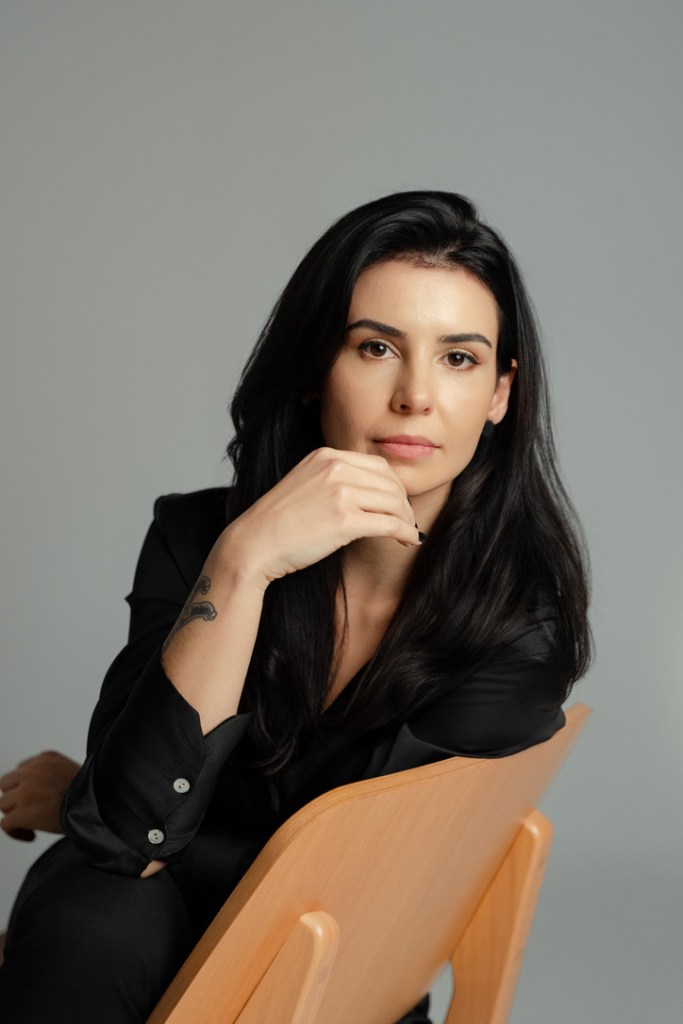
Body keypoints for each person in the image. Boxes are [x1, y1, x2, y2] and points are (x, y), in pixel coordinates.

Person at [0, 190, 591, 1023]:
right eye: (376, 347)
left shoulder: (517, 630)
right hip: (145, 934)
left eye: (458, 358)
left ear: (499, 393)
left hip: (330, 983)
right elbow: (128, 839)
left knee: (98, 884)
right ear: (315, 368)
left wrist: (81, 803)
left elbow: (348, 895)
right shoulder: (200, 537)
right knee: (96, 909)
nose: (415, 396)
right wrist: (242, 563)